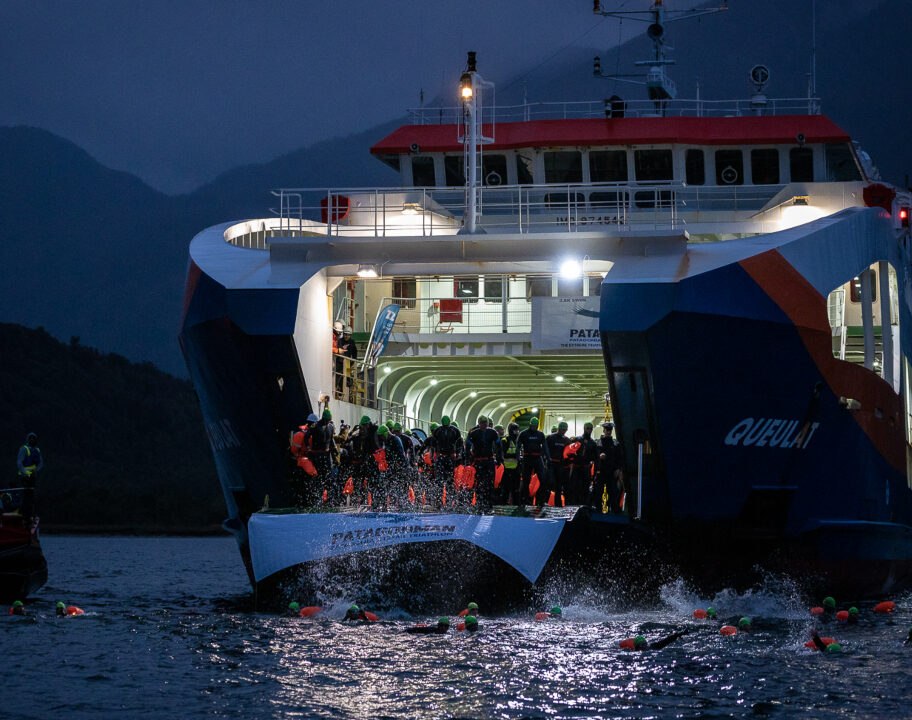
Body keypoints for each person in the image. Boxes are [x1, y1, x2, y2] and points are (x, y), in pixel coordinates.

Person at [466, 416, 502, 511]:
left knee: (490, 483)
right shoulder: (474, 433)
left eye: (485, 422)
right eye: (482, 423)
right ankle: (479, 503)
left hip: (489, 461)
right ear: (479, 424)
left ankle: (489, 504)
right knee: (479, 483)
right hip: (479, 461)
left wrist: (499, 458)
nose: (484, 424)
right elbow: (467, 445)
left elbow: (499, 445)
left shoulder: (492, 432)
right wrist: (468, 460)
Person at [592, 421, 625, 514]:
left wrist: (618, 469)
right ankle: (598, 509)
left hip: (612, 471)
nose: (608, 432)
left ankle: (613, 510)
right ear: (603, 430)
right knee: (598, 491)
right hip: (601, 471)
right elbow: (593, 455)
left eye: (610, 430)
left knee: (613, 492)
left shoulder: (615, 443)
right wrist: (599, 456)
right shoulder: (598, 443)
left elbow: (620, 457)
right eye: (607, 430)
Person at [517, 418, 550, 505]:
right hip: (527, 458)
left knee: (542, 480)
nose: (534, 428)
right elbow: (518, 446)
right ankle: (525, 500)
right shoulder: (523, 433)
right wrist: (518, 458)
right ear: (530, 425)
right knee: (526, 481)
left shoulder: (540, 434)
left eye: (536, 426)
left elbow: (545, 446)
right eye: (533, 426)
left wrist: (547, 458)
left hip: (537, 458)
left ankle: (540, 500)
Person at [347, 416, 379, 503]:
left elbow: (376, 446)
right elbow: (347, 441)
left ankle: (375, 501)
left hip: (373, 460)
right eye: (361, 428)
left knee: (372, 482)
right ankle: (361, 501)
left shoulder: (375, 431)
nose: (362, 429)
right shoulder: (358, 436)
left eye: (363, 427)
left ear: (367, 425)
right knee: (359, 483)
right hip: (362, 462)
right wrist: (352, 431)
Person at [566, 422, 598, 505]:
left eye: (591, 429)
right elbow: (568, 453)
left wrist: (595, 473)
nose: (589, 430)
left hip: (586, 468)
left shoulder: (593, 443)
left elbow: (596, 458)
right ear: (584, 428)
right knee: (573, 488)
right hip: (576, 468)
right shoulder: (577, 439)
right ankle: (572, 504)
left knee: (585, 489)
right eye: (588, 428)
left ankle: (584, 506)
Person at [433, 417, 463, 505]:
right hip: (446, 457)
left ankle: (447, 501)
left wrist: (458, 455)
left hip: (447, 457)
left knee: (447, 480)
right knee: (441, 481)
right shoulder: (451, 430)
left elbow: (459, 444)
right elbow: (434, 444)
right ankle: (441, 501)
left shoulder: (440, 430)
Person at [310, 409, 337, 503]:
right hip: (317, 454)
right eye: (327, 419)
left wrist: (335, 448)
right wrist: (309, 449)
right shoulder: (315, 426)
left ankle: (329, 498)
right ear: (323, 418)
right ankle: (316, 497)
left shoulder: (330, 426)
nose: (328, 421)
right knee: (318, 475)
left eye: (329, 420)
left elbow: (331, 439)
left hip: (327, 454)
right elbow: (307, 437)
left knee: (328, 475)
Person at [17, 432, 42, 520]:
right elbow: (19, 463)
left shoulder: (37, 450)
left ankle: (30, 516)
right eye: (30, 438)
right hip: (24, 476)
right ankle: (23, 515)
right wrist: (26, 473)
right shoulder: (24, 449)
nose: (32, 440)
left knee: (31, 496)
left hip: (33, 477)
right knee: (25, 496)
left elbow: (40, 463)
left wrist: (36, 470)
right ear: (27, 439)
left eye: (34, 438)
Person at [546, 423, 571, 503]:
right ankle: (545, 502)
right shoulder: (550, 438)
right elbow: (545, 449)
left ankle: (558, 503)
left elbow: (569, 452)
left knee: (559, 485)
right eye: (562, 430)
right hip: (551, 464)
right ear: (558, 429)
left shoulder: (566, 440)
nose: (563, 431)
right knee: (549, 483)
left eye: (564, 430)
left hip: (561, 465)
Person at [500, 423, 521, 504]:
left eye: (517, 430)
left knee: (516, 489)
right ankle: (504, 505)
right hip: (507, 468)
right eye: (514, 430)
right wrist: (515, 456)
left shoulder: (518, 441)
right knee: (506, 489)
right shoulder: (505, 440)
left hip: (516, 469)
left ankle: (516, 505)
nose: (516, 432)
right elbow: (503, 454)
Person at [620, 628, 689, 650]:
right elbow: (666, 640)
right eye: (642, 645)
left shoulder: (653, 647)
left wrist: (679, 634)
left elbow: (667, 640)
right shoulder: (653, 647)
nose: (644, 646)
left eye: (644, 644)